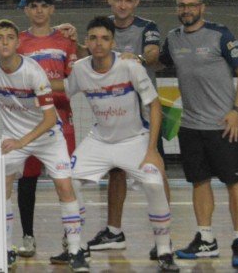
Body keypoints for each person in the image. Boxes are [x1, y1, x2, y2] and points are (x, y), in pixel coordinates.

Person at [68, 16, 179, 273]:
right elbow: (61, 92)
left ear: (113, 42)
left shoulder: (130, 67)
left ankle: (164, 250)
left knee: (154, 181)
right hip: (99, 141)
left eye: (105, 38)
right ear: (86, 42)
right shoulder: (80, 69)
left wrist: (151, 150)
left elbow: (154, 105)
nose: (99, 43)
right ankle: (76, 249)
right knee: (68, 180)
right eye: (93, 38)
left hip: (134, 141)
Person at [0, 20, 83, 270]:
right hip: (15, 139)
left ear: (17, 42)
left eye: (10, 37)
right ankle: (6, 249)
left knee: (66, 188)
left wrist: (20, 142)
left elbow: (48, 119)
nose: (4, 42)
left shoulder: (33, 72)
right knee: (3, 188)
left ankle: (76, 250)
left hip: (47, 137)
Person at [159, 0, 238, 268]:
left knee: (234, 183)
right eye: (182, 6)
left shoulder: (221, 34)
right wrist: (134, 58)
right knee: (199, 182)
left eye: (192, 5)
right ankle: (206, 239)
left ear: (203, 7)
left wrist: (236, 111)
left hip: (223, 126)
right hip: (190, 125)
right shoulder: (173, 39)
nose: (187, 10)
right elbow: (157, 60)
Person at [88, 0, 169, 260]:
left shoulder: (147, 27)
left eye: (128, 0)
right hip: (113, 113)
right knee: (115, 171)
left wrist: (132, 56)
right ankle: (114, 230)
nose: (122, 5)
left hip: (144, 113)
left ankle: (164, 238)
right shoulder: (102, 27)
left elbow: (152, 54)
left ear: (136, 3)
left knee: (155, 170)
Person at [15, 0, 80, 262]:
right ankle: (27, 236)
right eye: (34, 5)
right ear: (27, 10)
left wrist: (41, 87)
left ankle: (71, 239)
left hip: (62, 123)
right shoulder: (16, 41)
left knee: (64, 181)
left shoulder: (66, 41)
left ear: (52, 9)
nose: (39, 10)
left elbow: (72, 84)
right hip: (28, 124)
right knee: (26, 180)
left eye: (44, 5)